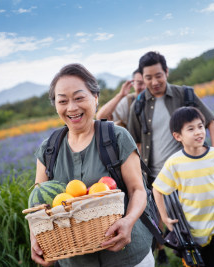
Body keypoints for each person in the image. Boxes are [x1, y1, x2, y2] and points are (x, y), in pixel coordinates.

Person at [30, 63, 153, 267]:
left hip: (127, 258)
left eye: (79, 98)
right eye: (63, 101)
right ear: (56, 106)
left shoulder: (117, 138)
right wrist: (36, 236)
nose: (72, 107)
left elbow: (138, 190)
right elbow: (38, 208)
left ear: (95, 98)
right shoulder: (48, 150)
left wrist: (128, 221)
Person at [127, 51, 214, 264]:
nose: (154, 81)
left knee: (204, 226)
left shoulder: (184, 95)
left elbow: (211, 123)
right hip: (162, 181)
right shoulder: (138, 106)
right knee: (181, 235)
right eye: (148, 77)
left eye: (158, 75)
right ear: (142, 78)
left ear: (166, 72)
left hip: (193, 173)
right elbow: (136, 145)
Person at [152, 106, 214, 267]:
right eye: (191, 129)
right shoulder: (174, 163)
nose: (198, 132)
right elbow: (157, 189)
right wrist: (165, 218)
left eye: (200, 126)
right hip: (192, 230)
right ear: (177, 136)